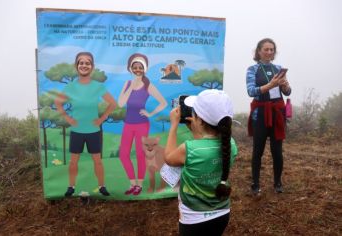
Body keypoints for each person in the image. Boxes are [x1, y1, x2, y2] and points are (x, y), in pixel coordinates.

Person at [164, 89, 238, 236]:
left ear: (200, 120)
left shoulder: (189, 149)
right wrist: (198, 129)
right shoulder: (231, 144)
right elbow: (205, 148)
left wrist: (173, 125)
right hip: (222, 213)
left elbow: (169, 158)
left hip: (193, 219)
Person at [55, 52, 116, 197]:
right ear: (76, 66)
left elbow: (113, 104)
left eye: (87, 63)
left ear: (92, 67)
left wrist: (101, 120)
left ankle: (102, 186)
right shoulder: (70, 86)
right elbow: (58, 102)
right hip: (77, 131)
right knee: (73, 162)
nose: (84, 65)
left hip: (93, 131)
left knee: (98, 161)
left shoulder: (98, 86)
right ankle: (71, 186)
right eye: (81, 63)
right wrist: (67, 118)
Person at [246, 38, 292, 195]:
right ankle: (255, 184)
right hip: (260, 114)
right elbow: (251, 91)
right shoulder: (252, 69)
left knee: (277, 151)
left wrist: (285, 85)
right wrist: (270, 85)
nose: (269, 52)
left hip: (277, 113)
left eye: (272, 49)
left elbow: (287, 92)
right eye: (266, 49)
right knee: (257, 150)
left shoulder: (278, 68)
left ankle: (278, 182)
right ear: (259, 51)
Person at [118, 53, 167, 195]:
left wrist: (150, 114)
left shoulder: (148, 85)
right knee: (123, 154)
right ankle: (132, 183)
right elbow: (121, 103)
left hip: (142, 124)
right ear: (131, 69)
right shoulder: (127, 84)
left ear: (144, 69)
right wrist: (131, 86)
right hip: (128, 124)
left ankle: (139, 185)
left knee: (140, 154)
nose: (137, 69)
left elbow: (163, 103)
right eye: (135, 67)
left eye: (140, 67)